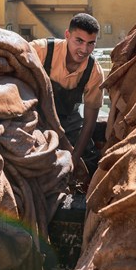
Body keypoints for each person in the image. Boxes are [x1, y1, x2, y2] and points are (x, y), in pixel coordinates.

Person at [30, 13, 104, 178]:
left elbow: (89, 122)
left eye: (91, 43)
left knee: (91, 161)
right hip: (35, 115)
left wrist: (75, 158)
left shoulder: (94, 72)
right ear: (67, 35)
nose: (84, 50)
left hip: (68, 120)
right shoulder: (40, 50)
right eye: (79, 41)